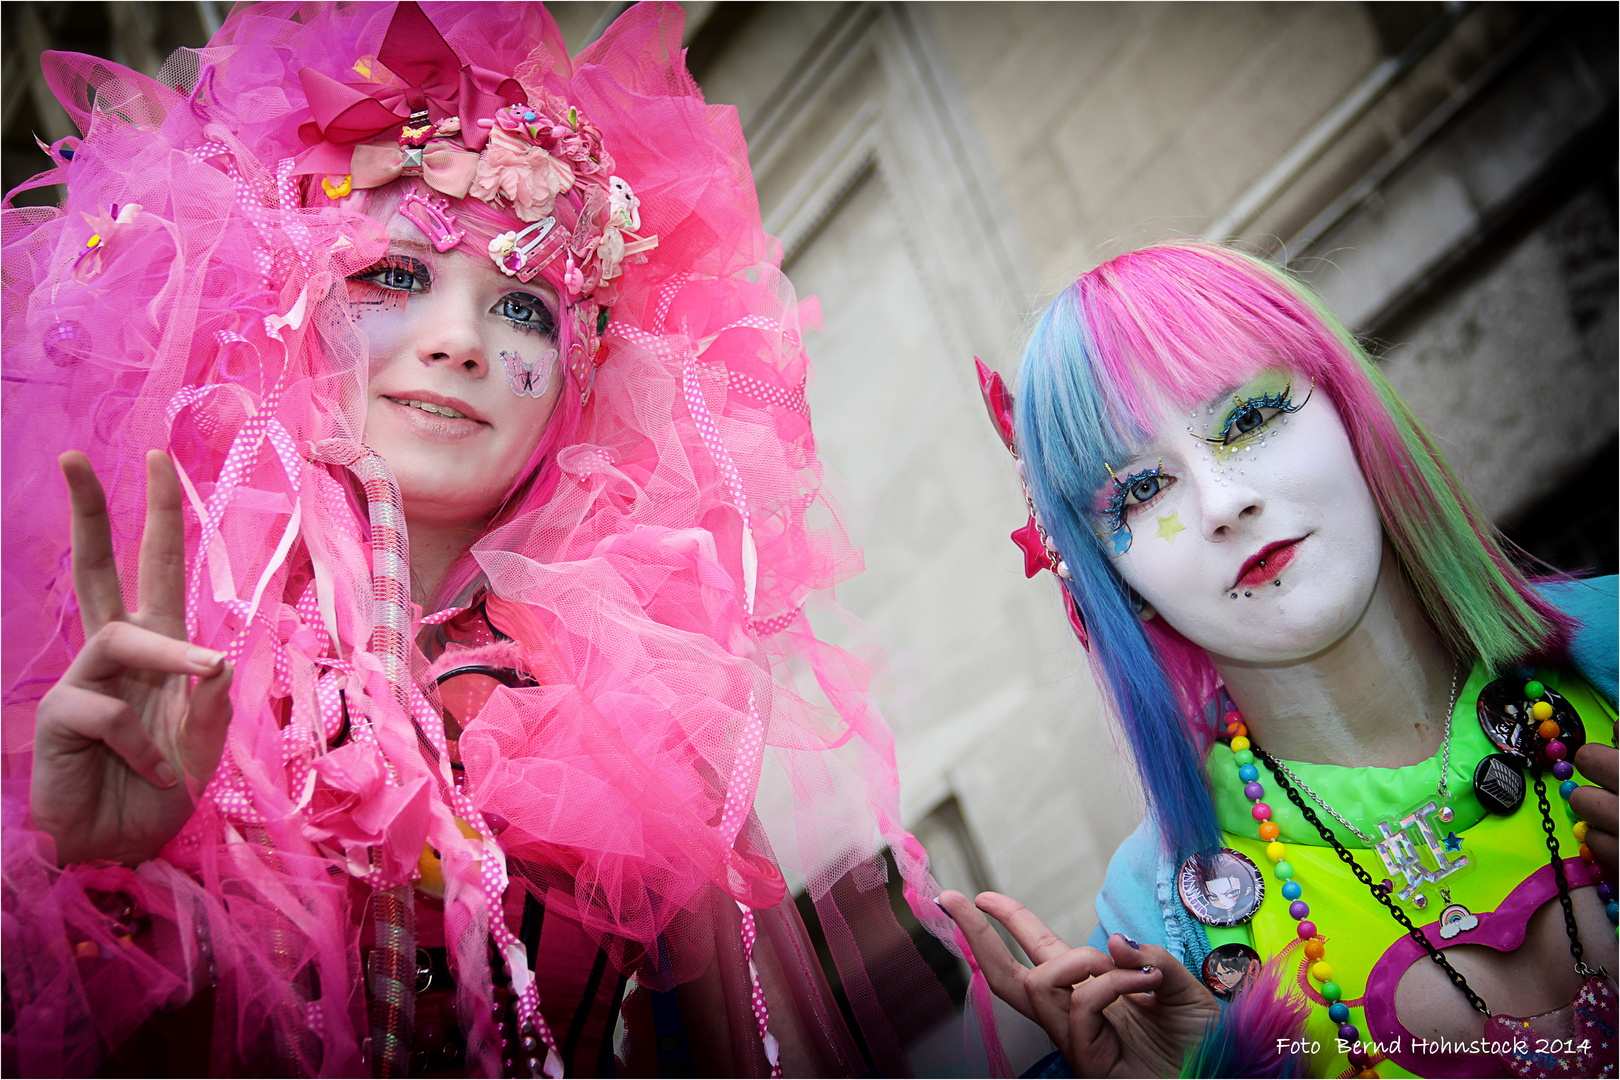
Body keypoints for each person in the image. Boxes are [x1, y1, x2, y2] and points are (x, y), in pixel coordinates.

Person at [1, 4, 986, 1076]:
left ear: (580, 377)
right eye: (395, 276)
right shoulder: (137, 660)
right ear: (294, 302)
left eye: (523, 309)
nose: (460, 344)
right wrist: (107, 881)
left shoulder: (640, 707)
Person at [941, 244, 1618, 1078]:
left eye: (1250, 420)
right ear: (1111, 575)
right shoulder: (1160, 940)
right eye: (1143, 490)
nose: (1224, 504)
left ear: (1348, 405)